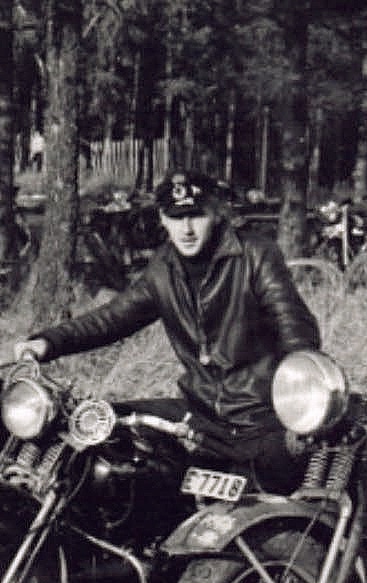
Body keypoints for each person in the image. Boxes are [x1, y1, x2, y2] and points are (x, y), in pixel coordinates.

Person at [15, 168, 321, 492]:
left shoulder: (254, 254)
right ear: (162, 218)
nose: (186, 229)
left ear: (216, 213)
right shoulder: (164, 267)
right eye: (176, 217)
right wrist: (48, 342)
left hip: (259, 418)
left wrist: (301, 392)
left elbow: (292, 321)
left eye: (195, 215)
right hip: (201, 414)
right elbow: (113, 318)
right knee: (98, 424)